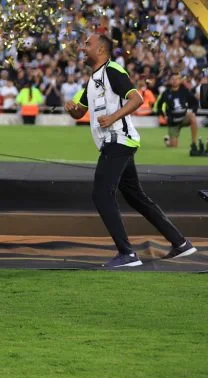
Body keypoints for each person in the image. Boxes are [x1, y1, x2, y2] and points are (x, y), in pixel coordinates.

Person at [64, 33, 196, 267]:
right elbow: (79, 112)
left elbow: (136, 99)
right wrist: (72, 109)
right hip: (119, 142)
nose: (83, 47)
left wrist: (113, 117)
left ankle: (127, 253)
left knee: (102, 194)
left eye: (88, 44)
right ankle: (180, 243)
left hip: (118, 141)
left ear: (102, 50)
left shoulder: (113, 70)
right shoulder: (92, 80)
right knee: (135, 196)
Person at [153, 74, 201, 155]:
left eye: (177, 79)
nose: (175, 81)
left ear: (179, 81)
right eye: (173, 79)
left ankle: (194, 143)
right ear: (170, 81)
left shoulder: (184, 91)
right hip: (173, 121)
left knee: (192, 117)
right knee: (173, 146)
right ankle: (168, 141)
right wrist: (163, 115)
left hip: (183, 117)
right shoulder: (166, 93)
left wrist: (193, 111)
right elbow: (159, 106)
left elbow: (195, 102)